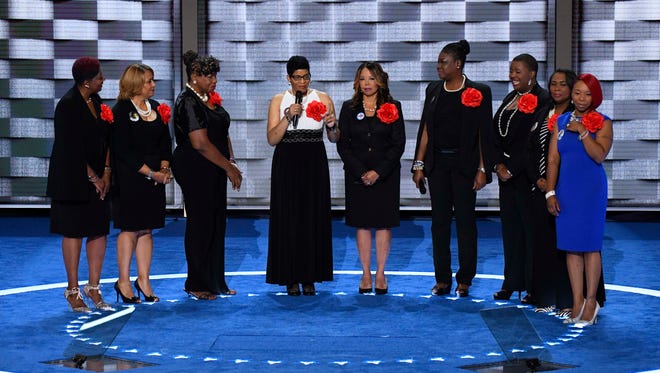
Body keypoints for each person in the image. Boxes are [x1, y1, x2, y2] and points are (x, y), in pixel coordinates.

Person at [412, 40, 493, 297]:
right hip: (438, 166)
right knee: (439, 224)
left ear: (458, 64)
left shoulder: (479, 91)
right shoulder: (433, 89)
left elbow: (484, 134)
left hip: (465, 166)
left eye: (443, 62)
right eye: (438, 62)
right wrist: (419, 164)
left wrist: (483, 168)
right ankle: (443, 279)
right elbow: (426, 128)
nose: (438, 66)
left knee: (466, 223)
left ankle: (465, 278)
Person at [172, 50, 242, 300]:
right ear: (194, 76)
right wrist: (228, 167)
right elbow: (200, 143)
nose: (214, 80)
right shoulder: (187, 101)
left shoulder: (209, 98)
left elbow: (222, 132)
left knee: (216, 222)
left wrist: (230, 160)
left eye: (215, 75)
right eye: (209, 76)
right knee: (200, 223)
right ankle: (197, 283)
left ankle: (215, 281)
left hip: (214, 164)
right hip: (194, 165)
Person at [266, 55, 339, 296]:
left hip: (314, 160)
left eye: (306, 76)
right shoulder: (278, 100)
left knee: (312, 216)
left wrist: (332, 125)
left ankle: (310, 276)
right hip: (287, 160)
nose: (302, 81)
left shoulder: (324, 98)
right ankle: (290, 276)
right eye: (297, 77)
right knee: (288, 217)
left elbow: (335, 138)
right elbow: (272, 139)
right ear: (288, 78)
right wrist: (288, 115)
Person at [46, 57, 113, 312]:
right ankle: (72, 290)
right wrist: (94, 178)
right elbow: (70, 148)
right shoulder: (68, 105)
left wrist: (105, 173)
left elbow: (107, 139)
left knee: (98, 229)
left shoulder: (96, 102)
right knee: (73, 231)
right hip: (72, 179)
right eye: (99, 77)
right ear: (86, 81)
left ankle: (93, 288)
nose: (103, 80)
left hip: (99, 178)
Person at [545, 73, 613, 326]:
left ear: (595, 97)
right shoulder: (561, 121)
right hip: (566, 189)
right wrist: (550, 191)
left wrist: (584, 131)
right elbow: (553, 159)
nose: (581, 98)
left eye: (587, 94)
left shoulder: (604, 123)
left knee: (590, 246)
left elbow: (599, 156)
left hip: (591, 191)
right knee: (571, 246)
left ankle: (592, 301)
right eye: (577, 93)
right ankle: (577, 301)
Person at [337, 62, 405, 295]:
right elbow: (343, 145)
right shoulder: (348, 108)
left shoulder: (393, 106)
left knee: (383, 223)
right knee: (362, 223)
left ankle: (380, 273)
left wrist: (379, 171)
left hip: (385, 176)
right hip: (358, 176)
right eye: (363, 79)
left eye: (371, 78)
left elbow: (398, 144)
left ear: (380, 81)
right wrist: (360, 172)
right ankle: (365, 273)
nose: (367, 83)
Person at [111, 63, 173, 303]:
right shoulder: (121, 111)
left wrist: (165, 168)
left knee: (147, 229)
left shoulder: (156, 108)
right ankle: (124, 281)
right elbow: (123, 151)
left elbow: (165, 143)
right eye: (149, 81)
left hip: (155, 179)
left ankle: (143, 279)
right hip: (131, 178)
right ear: (136, 83)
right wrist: (151, 173)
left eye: (153, 80)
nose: (153, 85)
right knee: (130, 228)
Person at [492, 54, 550, 302]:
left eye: (518, 71)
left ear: (532, 74)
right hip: (506, 178)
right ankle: (511, 282)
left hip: (528, 177)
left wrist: (512, 169)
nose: (513, 76)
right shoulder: (510, 98)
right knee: (511, 231)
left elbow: (532, 142)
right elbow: (494, 133)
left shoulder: (543, 99)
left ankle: (533, 286)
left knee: (530, 232)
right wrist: (497, 165)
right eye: (511, 71)